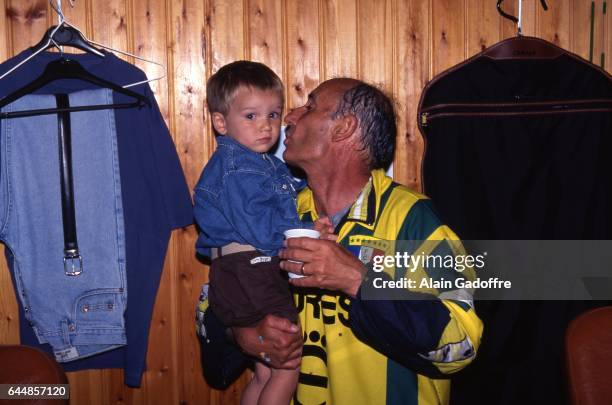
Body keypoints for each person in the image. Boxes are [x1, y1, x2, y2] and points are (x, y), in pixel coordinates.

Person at [222, 77, 484, 405]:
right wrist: (243, 334)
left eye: (311, 106)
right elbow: (211, 303)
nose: (290, 116)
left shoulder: (413, 221)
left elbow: (461, 346)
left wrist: (358, 280)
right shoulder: (274, 212)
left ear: (344, 127)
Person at [193, 61, 330, 405]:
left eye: (273, 115)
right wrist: (306, 233)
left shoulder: (263, 163)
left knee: (266, 370)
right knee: (288, 363)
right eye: (251, 116)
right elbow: (260, 226)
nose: (267, 127)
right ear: (221, 122)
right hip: (252, 267)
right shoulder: (239, 168)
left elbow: (289, 189)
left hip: (241, 270)